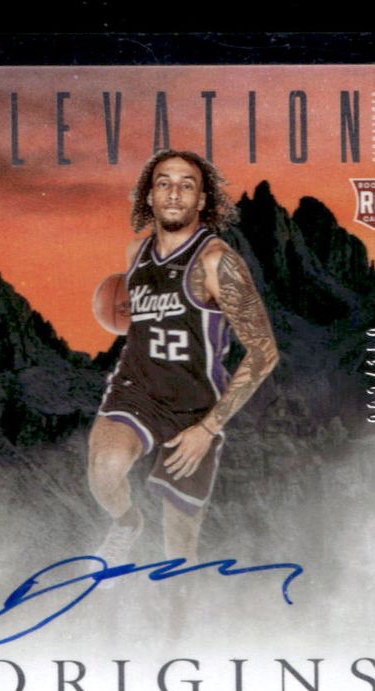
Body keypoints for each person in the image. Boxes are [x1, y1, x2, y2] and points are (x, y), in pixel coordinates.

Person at [88, 149, 279, 563]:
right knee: (104, 469)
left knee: (179, 549)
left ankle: (176, 602)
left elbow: (264, 352)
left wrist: (208, 429)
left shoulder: (216, 262)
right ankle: (126, 523)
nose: (174, 193)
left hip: (195, 406)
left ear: (201, 200)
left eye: (186, 185)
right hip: (136, 390)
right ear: (149, 196)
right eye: (164, 183)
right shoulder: (135, 254)